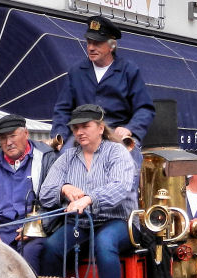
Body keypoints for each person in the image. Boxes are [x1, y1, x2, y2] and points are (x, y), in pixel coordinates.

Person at [38, 104, 137, 278]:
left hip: (118, 221)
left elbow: (120, 187)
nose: (79, 132)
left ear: (100, 128)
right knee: (50, 248)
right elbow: (45, 193)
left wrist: (89, 198)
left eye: (85, 126)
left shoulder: (117, 152)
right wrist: (64, 189)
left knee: (105, 242)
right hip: (80, 224)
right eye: (76, 128)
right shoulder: (67, 157)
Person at [50, 15, 155, 172]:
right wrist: (59, 136)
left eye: (97, 43)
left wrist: (130, 129)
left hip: (116, 132)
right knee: (60, 164)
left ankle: (129, 196)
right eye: (89, 42)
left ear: (111, 45)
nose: (91, 47)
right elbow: (63, 109)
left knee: (129, 166)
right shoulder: (76, 71)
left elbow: (145, 109)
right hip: (82, 132)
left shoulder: (128, 70)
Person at [0, 113, 58, 273]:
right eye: (2, 138)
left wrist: (38, 224)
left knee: (29, 254)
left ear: (26, 133)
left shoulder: (46, 158)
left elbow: (57, 199)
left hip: (34, 230)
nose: (8, 143)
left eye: (13, 136)